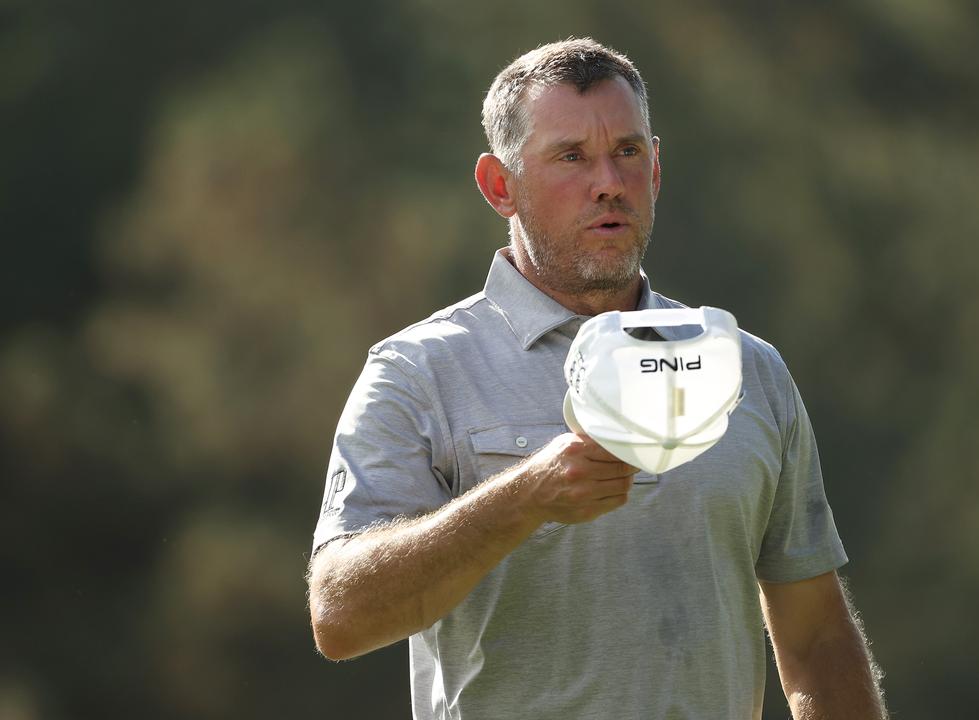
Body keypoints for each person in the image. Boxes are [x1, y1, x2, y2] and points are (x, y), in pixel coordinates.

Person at [307, 37, 887, 720]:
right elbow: (340, 617)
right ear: (501, 186)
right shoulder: (418, 370)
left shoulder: (747, 367)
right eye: (571, 156)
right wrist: (522, 498)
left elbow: (816, 638)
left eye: (628, 152)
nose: (608, 180)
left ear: (657, 170)